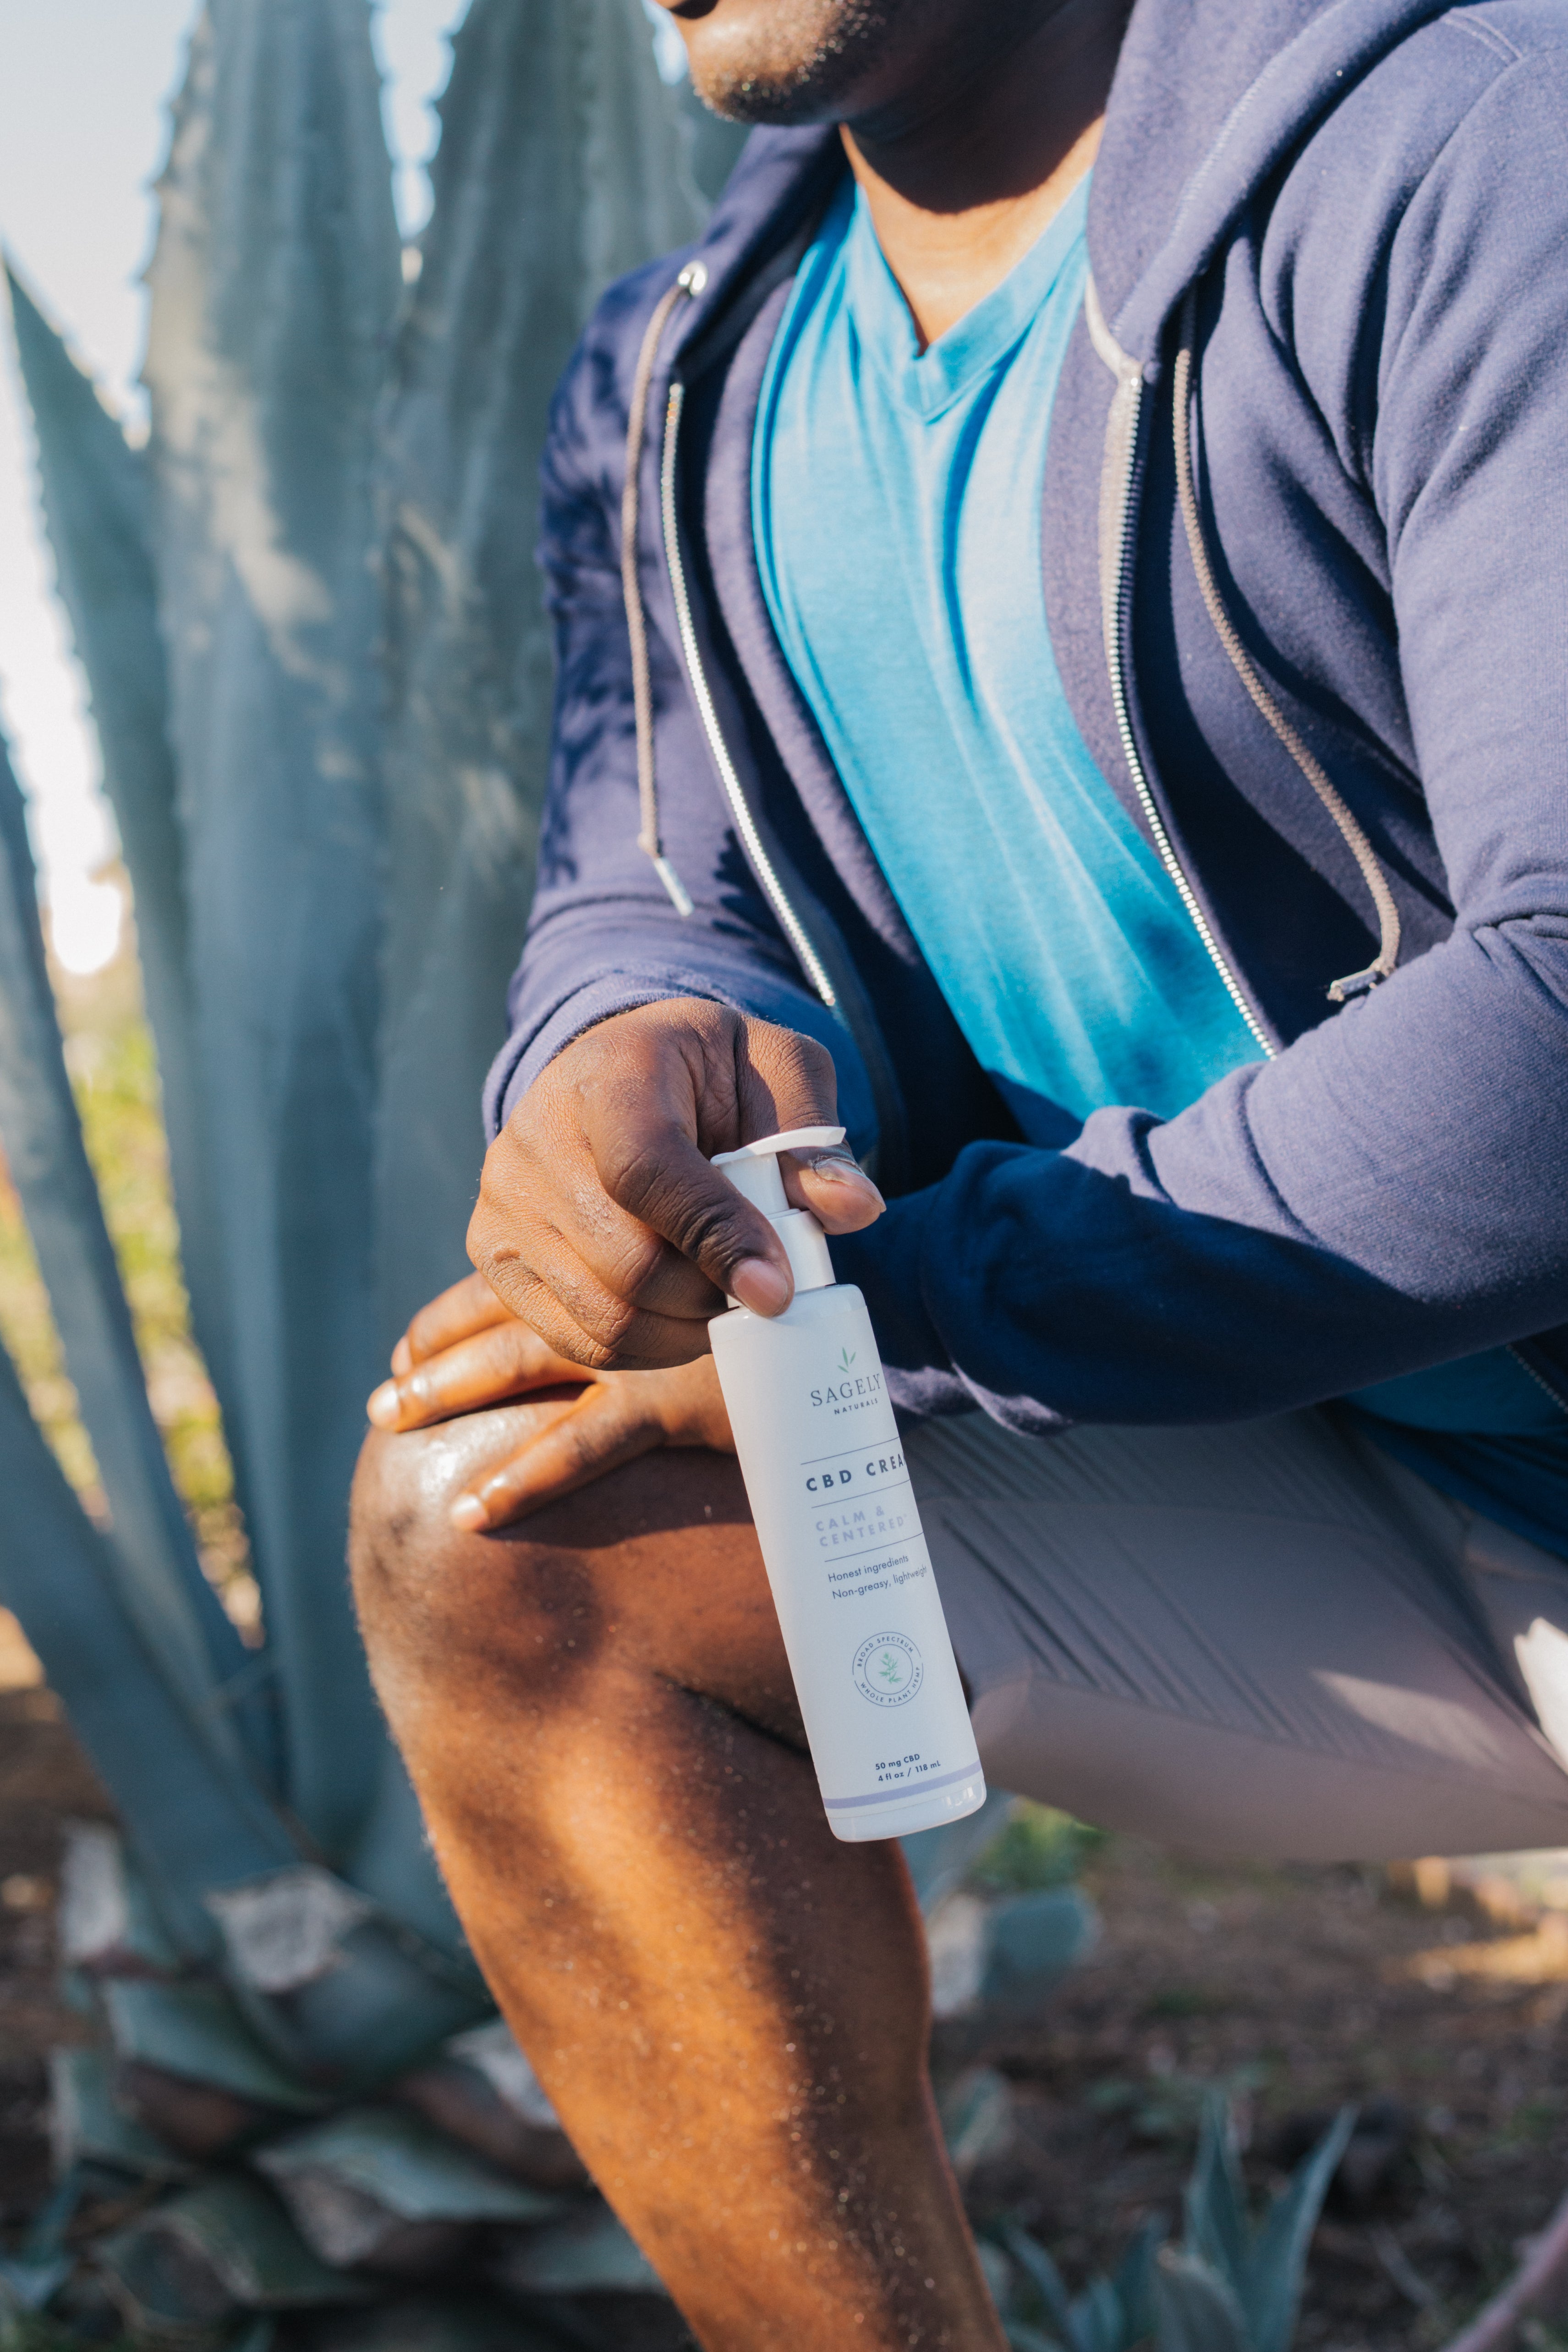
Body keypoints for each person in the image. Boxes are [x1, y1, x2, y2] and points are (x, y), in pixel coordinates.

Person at [350, 0, 1568, 2340]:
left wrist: (913, 1301)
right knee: (513, 1526)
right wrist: (627, 1064)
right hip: (1383, 1496)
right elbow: (659, 883)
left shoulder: (1472, 136)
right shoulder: (681, 367)